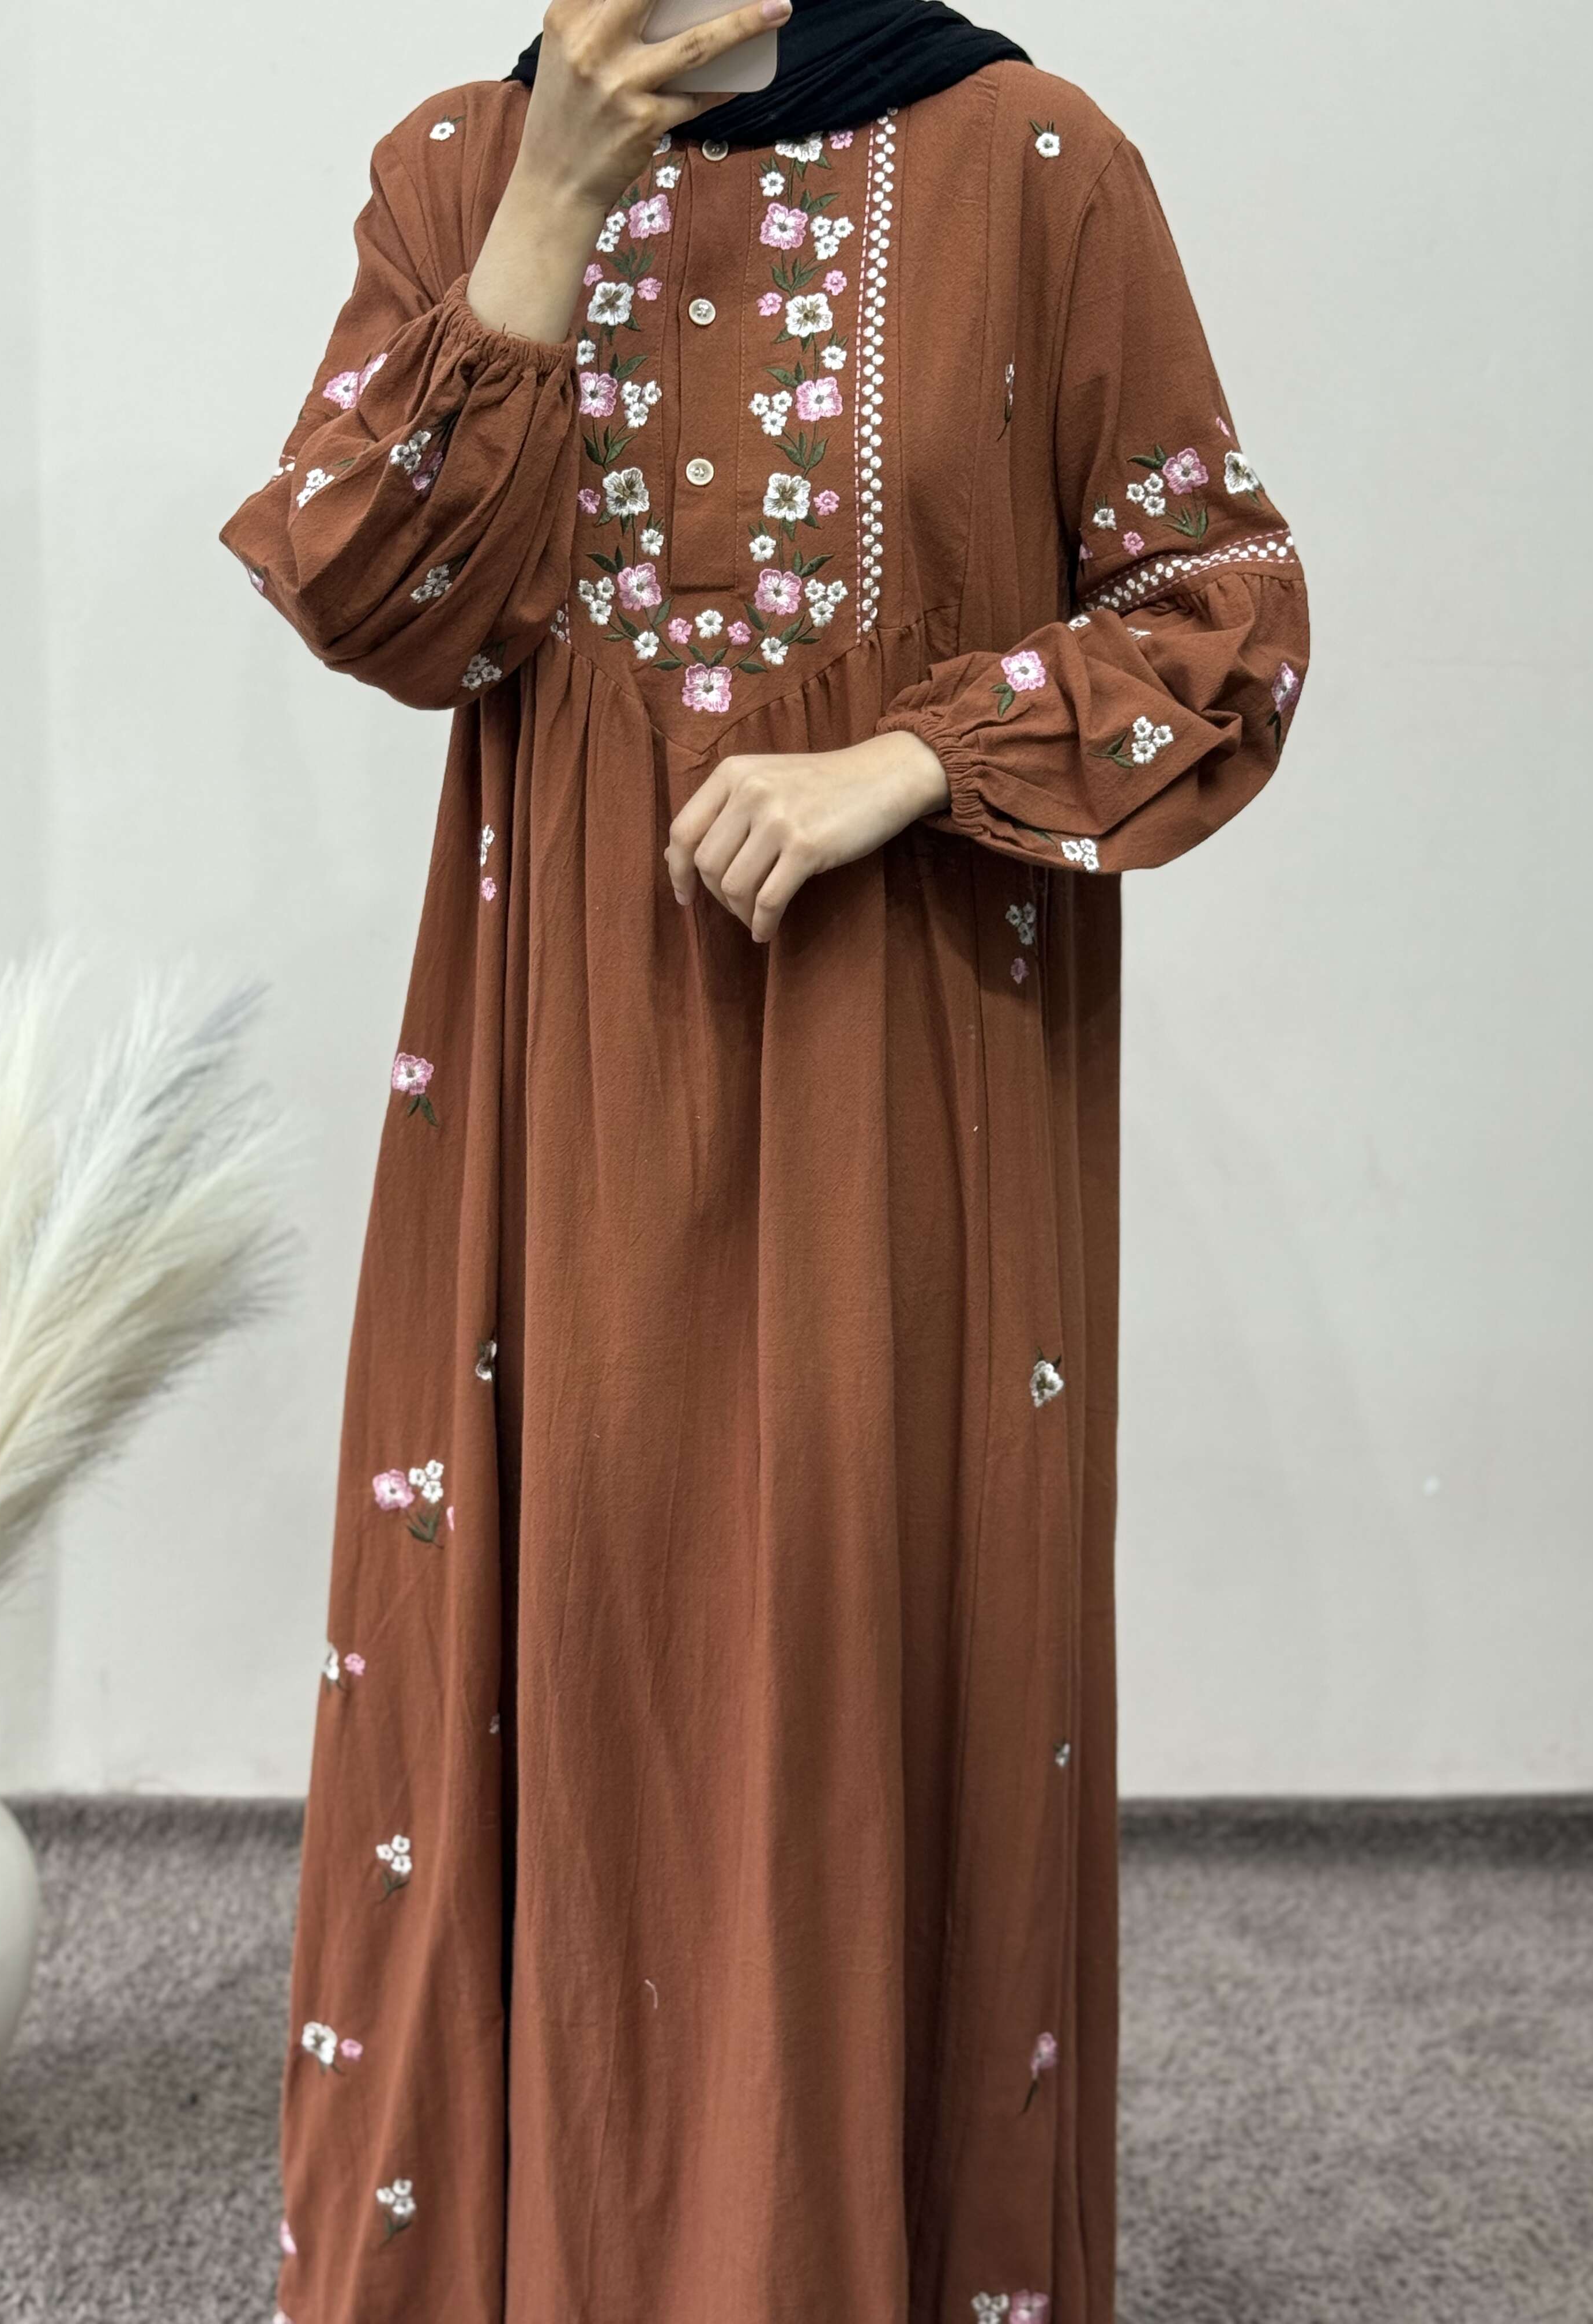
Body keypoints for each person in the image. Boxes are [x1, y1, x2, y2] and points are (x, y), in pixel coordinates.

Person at [221, 2, 1310, 2318]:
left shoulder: (1032, 161)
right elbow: (377, 603)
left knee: (858, 1655)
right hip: (563, 1088)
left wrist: (915, 758)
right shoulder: (454, 166)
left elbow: (1222, 615)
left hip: (904, 1086)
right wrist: (545, 211)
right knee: (574, 1634)